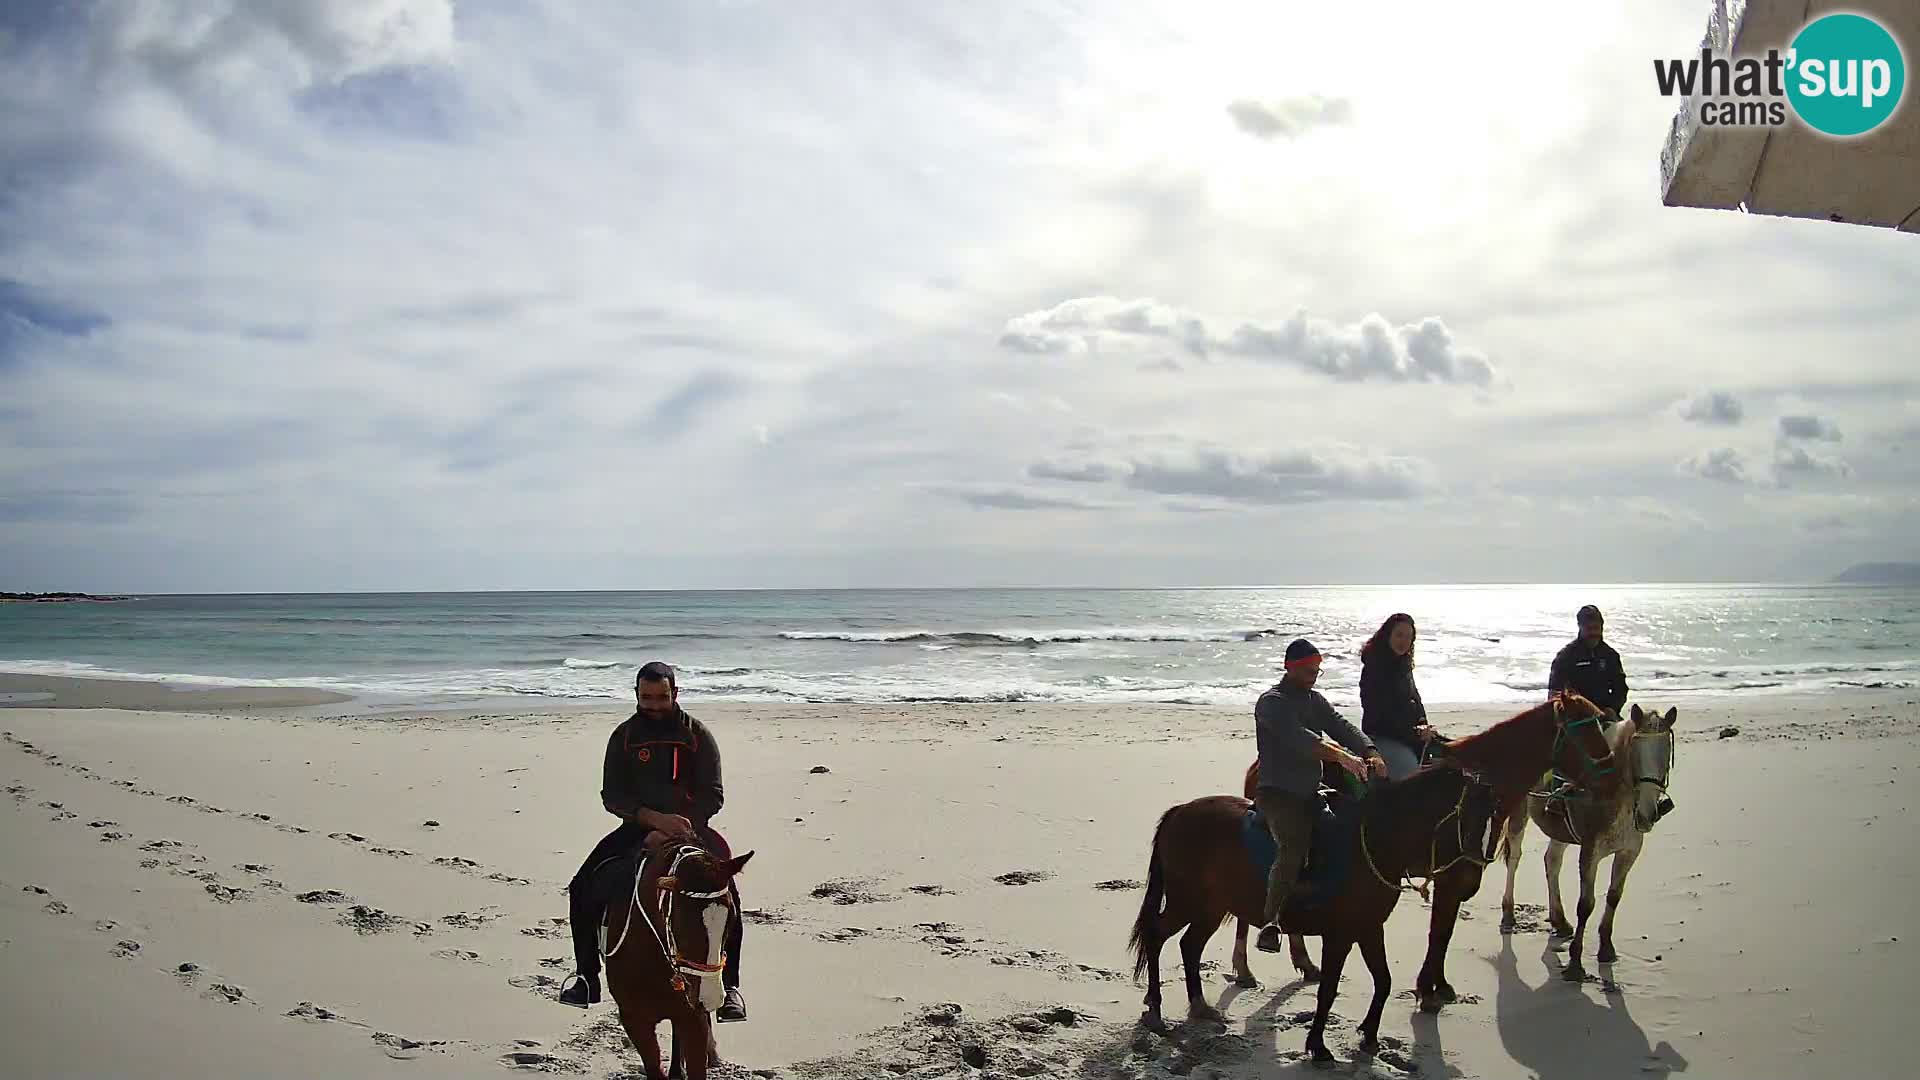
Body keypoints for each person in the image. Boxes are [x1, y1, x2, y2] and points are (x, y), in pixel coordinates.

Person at [557, 661, 748, 1021]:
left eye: (661, 697)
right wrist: (653, 821)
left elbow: (714, 795)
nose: (654, 705)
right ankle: (585, 977)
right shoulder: (624, 737)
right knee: (583, 887)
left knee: (729, 895)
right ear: (636, 695)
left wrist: (680, 825)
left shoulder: (698, 735)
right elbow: (612, 795)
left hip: (692, 829)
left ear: (675, 694)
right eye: (646, 697)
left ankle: (731, 988)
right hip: (638, 828)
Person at [1252, 638, 1387, 954]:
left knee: (1345, 831)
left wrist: (1370, 751)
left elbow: (1341, 726)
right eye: (1307, 668)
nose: (1313, 673)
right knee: (1293, 845)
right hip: (1277, 794)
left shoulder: (1315, 700)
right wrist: (1342, 757)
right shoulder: (1271, 703)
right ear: (1290, 667)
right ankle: (1271, 922)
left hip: (1311, 792)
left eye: (1317, 668)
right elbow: (1302, 739)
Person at [1358, 612, 1442, 780]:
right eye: (1399, 635)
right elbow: (1380, 718)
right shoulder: (1374, 669)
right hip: (1382, 737)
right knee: (1411, 771)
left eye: (1409, 637)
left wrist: (1424, 726)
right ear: (1387, 636)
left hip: (1410, 735)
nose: (1404, 641)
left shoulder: (1404, 666)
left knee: (1448, 758)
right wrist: (1416, 733)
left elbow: (1416, 701)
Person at [1547, 605, 1629, 719]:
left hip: (1604, 714)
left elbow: (1621, 688)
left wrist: (1613, 708)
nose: (1593, 633)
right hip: (1576, 718)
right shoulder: (1566, 656)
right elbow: (1554, 692)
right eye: (1589, 628)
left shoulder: (1610, 655)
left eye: (1597, 628)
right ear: (1580, 627)